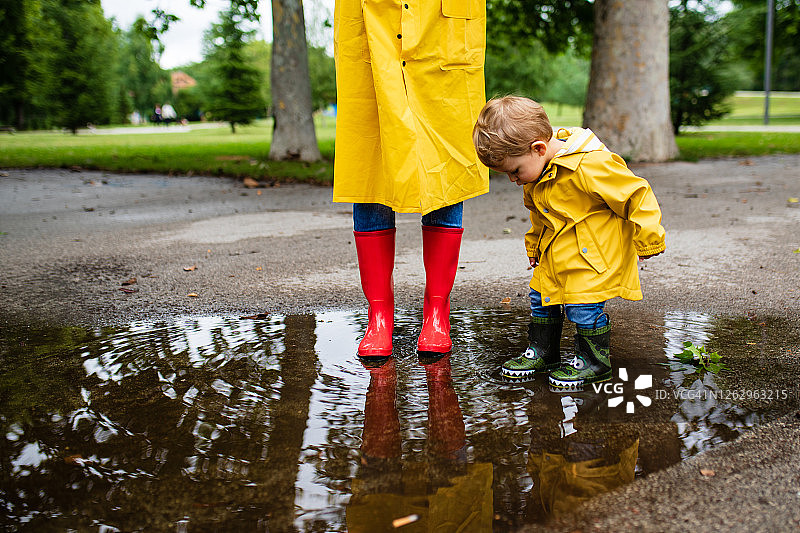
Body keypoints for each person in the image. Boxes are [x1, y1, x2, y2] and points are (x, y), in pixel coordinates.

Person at [472, 96, 666, 389]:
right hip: (555, 254)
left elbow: (637, 194)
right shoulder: (536, 173)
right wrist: (535, 246)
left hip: (589, 258)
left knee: (583, 307)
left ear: (538, 148)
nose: (513, 180)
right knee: (540, 299)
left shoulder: (590, 165)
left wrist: (649, 237)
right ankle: (543, 352)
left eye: (514, 171)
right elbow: (539, 215)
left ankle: (594, 362)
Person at [332, 0, 489, 359]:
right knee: (370, 162)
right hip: (370, 17)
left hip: (443, 23)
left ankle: (437, 312)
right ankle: (379, 316)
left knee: (446, 161)